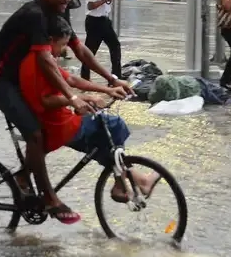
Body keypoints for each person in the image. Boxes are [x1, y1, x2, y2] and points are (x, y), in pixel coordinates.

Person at [0, 0, 131, 225]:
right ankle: (50, 198)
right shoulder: (35, 16)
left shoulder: (56, 16)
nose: (66, 0)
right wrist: (73, 98)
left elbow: (81, 50)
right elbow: (46, 61)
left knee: (46, 130)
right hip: (0, 82)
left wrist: (112, 79)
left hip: (21, 78)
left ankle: (22, 177)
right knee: (36, 133)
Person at [21, 16, 158, 207]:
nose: (63, 51)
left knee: (103, 144)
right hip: (56, 126)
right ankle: (125, 183)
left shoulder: (43, 58)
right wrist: (83, 98)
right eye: (61, 45)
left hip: (59, 120)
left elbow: (73, 80)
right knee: (113, 125)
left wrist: (108, 89)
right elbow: (45, 100)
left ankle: (135, 181)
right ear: (50, 41)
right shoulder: (39, 62)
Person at [81, 0, 123, 82]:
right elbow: (90, 6)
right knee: (90, 52)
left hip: (104, 21)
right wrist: (105, 0)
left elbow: (108, 3)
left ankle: (116, 76)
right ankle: (85, 78)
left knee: (115, 45)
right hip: (94, 22)